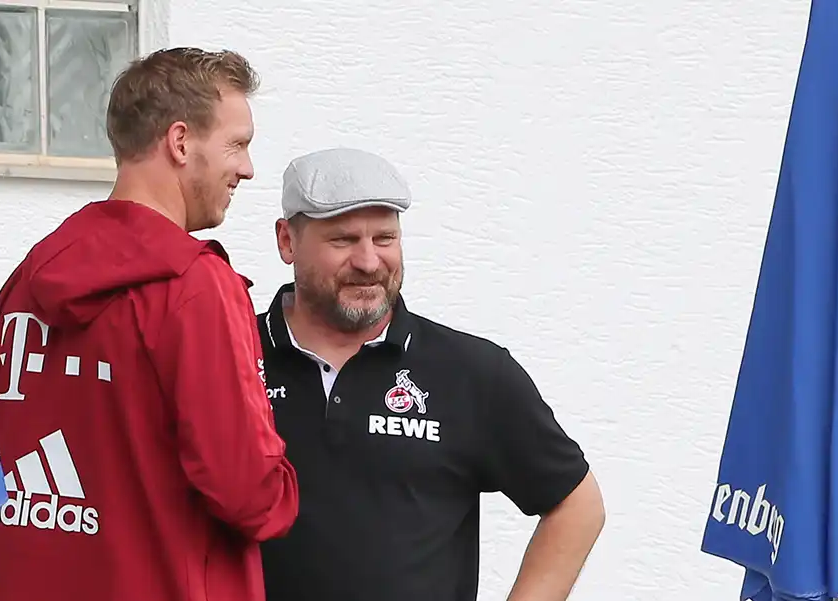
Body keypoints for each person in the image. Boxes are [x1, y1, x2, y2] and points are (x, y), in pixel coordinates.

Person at [0, 47, 299, 601]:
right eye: (237, 144)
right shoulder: (194, 286)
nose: (247, 167)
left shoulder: (25, 281)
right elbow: (247, 492)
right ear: (180, 143)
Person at [255, 147, 605, 601]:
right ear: (287, 241)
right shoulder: (229, 356)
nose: (368, 261)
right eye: (343, 240)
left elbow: (577, 505)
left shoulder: (469, 371)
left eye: (384, 238)